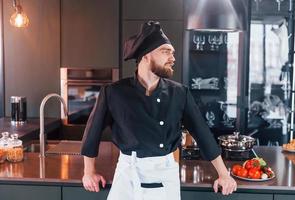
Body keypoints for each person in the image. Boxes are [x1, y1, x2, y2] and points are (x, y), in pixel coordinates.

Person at [81, 21, 237, 200]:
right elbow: (91, 134)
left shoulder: (180, 93)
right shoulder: (114, 92)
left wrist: (224, 174)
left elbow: (202, 134)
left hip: (163, 171)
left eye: (172, 52)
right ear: (146, 56)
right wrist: (89, 172)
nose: (173, 58)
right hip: (127, 172)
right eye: (166, 51)